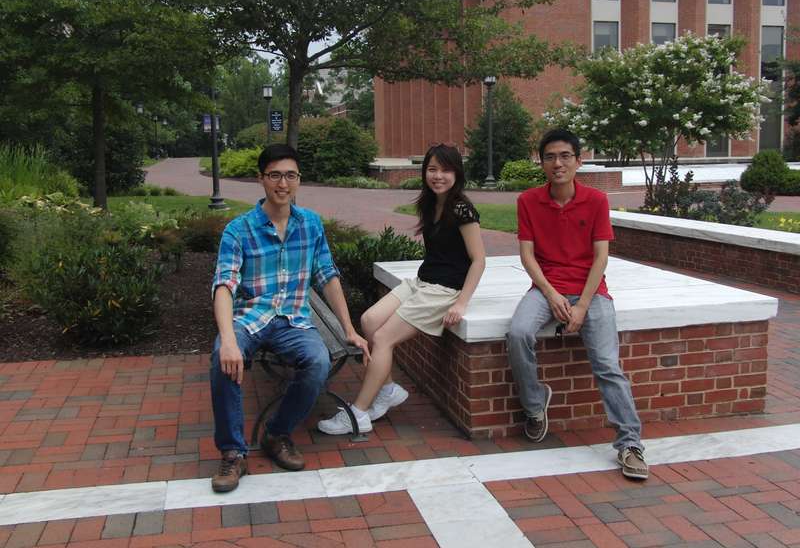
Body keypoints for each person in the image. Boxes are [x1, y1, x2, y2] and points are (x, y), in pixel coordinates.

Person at [209, 143, 368, 493]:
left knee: (317, 361)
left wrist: (349, 329)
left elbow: (327, 275)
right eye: (275, 175)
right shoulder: (239, 230)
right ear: (261, 179)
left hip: (294, 318)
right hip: (250, 317)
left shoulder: (310, 224)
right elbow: (224, 285)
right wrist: (229, 341)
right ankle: (233, 452)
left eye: (290, 176)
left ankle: (277, 434)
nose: (283, 183)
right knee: (222, 356)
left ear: (299, 180)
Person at [506, 129, 648, 480]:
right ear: (541, 162)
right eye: (550, 156)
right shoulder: (528, 200)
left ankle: (630, 444)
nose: (558, 163)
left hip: (591, 291)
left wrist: (582, 305)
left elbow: (601, 257)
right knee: (518, 332)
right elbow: (527, 256)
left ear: (578, 161)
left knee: (606, 364)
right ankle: (536, 406)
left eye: (565, 156)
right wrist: (552, 294)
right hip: (545, 288)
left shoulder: (596, 200)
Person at [317, 143, 486, 435]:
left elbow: (479, 261)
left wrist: (461, 303)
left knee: (382, 339)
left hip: (444, 291)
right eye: (432, 169)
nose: (438, 176)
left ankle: (358, 414)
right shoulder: (430, 203)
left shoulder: (462, 209)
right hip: (422, 282)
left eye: (446, 170)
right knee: (369, 320)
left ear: (457, 173)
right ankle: (389, 389)